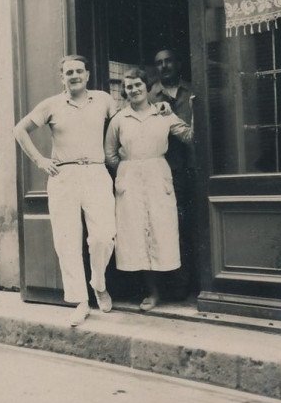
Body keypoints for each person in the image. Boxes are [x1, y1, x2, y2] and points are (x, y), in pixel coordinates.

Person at [13, 55, 117, 327]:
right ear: (62, 77)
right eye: (68, 72)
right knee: (67, 241)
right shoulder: (51, 105)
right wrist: (40, 161)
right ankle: (81, 301)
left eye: (79, 71)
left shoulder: (104, 99)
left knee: (103, 237)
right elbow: (20, 130)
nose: (74, 76)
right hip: (64, 175)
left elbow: (122, 124)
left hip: (96, 171)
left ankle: (98, 281)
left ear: (87, 74)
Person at [105, 66, 194, 311]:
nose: (133, 90)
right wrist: (125, 173)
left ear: (147, 87)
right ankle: (152, 292)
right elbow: (110, 154)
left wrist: (197, 108)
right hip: (130, 179)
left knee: (162, 232)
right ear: (124, 90)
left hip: (158, 177)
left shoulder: (162, 114)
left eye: (138, 85)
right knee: (136, 235)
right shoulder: (119, 119)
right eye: (129, 86)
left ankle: (174, 290)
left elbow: (189, 136)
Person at [148, 49, 197, 300]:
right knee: (168, 229)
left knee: (193, 227)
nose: (165, 66)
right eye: (159, 63)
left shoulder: (194, 91)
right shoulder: (147, 97)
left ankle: (195, 284)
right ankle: (175, 288)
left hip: (195, 170)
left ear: (178, 63)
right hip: (165, 175)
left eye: (169, 61)